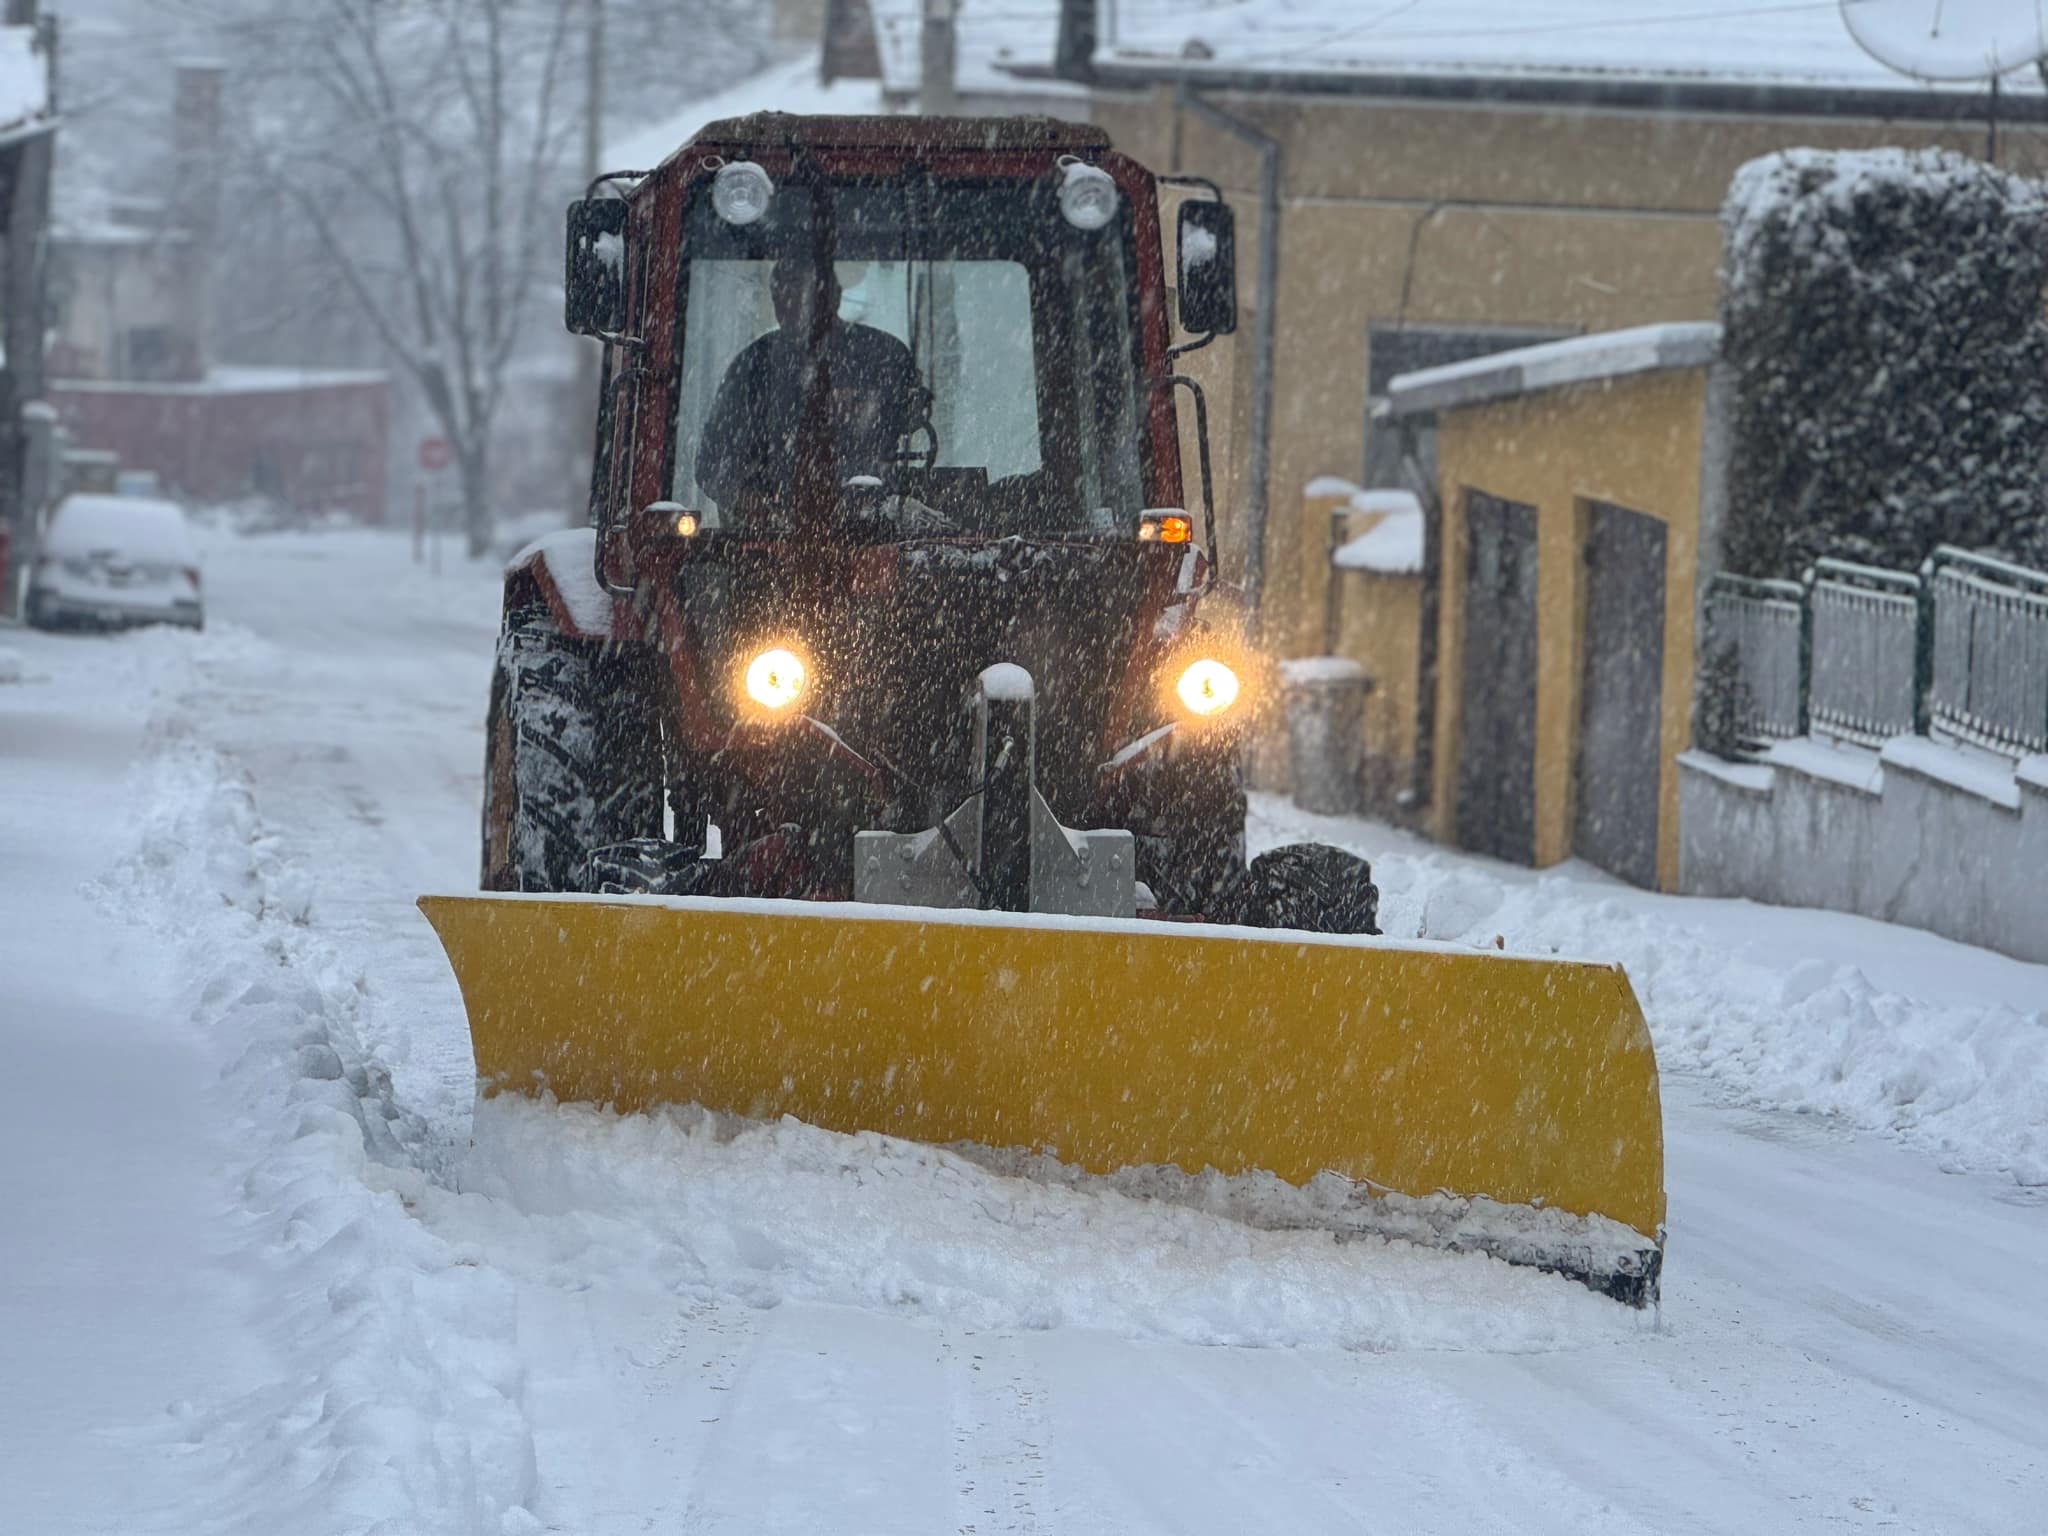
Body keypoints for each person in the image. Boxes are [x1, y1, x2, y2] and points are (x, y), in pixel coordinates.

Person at [695, 255, 927, 519]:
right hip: (768, 545)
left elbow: (913, 437)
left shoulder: (884, 357)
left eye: (805, 297)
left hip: (875, 535)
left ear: (834, 298)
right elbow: (712, 465)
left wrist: (885, 505)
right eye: (782, 296)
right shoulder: (753, 367)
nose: (792, 307)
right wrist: (759, 510)